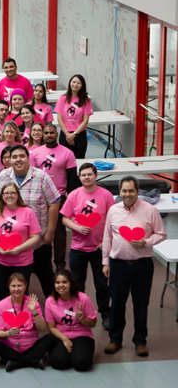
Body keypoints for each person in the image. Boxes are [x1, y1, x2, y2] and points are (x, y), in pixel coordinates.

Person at [102, 176, 166, 357]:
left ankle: (140, 341)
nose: (127, 194)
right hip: (118, 265)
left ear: (137, 192)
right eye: (124, 191)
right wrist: (105, 262)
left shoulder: (150, 210)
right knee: (117, 304)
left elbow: (161, 234)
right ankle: (115, 339)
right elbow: (107, 237)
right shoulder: (113, 210)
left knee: (141, 304)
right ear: (119, 192)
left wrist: (146, 242)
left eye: (131, 190)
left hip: (142, 266)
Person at [0, 145, 60, 298]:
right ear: (9, 160)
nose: (18, 160)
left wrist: (50, 231)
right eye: (14, 157)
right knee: (15, 285)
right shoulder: (3, 176)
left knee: (47, 280)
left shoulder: (42, 176)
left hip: (38, 240)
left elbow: (54, 202)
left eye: (22, 156)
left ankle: (54, 309)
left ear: (28, 158)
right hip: (11, 242)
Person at [61, 163, 115, 329]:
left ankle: (105, 314)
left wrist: (106, 242)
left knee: (102, 284)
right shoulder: (74, 195)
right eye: (83, 175)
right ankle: (80, 314)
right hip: (78, 248)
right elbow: (65, 218)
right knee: (77, 284)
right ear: (79, 177)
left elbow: (113, 220)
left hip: (100, 248)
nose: (86, 177)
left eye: (89, 174)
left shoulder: (106, 195)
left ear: (95, 176)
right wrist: (77, 227)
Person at [31, 123, 79, 271]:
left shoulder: (67, 153)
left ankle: (59, 264)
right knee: (38, 230)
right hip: (40, 198)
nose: (49, 135)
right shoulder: (35, 153)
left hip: (58, 197)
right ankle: (39, 262)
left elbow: (72, 179)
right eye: (46, 133)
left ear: (57, 134)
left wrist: (71, 201)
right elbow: (32, 176)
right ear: (43, 135)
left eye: (52, 133)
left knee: (59, 232)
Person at [0, 182, 41, 302]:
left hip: (22, 262)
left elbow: (35, 236)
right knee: (1, 294)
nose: (9, 195)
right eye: (6, 193)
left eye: (12, 192)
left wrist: (18, 249)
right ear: (2, 196)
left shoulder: (28, 212)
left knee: (20, 295)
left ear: (18, 195)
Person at [0, 273, 51, 372]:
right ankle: (32, 360)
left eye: (19, 285)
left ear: (25, 286)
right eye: (13, 286)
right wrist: (8, 333)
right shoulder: (1, 306)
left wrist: (34, 311)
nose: (16, 289)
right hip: (12, 347)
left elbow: (43, 329)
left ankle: (16, 362)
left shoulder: (33, 303)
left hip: (31, 346)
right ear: (9, 287)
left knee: (50, 338)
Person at [45, 270, 97, 371]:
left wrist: (82, 319)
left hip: (81, 334)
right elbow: (51, 327)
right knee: (58, 362)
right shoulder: (50, 301)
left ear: (71, 283)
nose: (61, 285)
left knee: (82, 364)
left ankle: (77, 355)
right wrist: (65, 339)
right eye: (57, 282)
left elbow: (93, 323)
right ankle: (69, 355)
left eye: (64, 282)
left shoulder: (83, 298)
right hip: (62, 335)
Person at [54, 74, 93, 159]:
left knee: (79, 159)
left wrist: (74, 134)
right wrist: (67, 134)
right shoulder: (63, 98)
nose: (75, 84)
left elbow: (85, 120)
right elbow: (59, 118)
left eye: (78, 83)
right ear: (70, 83)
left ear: (82, 85)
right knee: (64, 160)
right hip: (65, 134)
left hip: (79, 135)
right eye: (73, 82)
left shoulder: (86, 100)